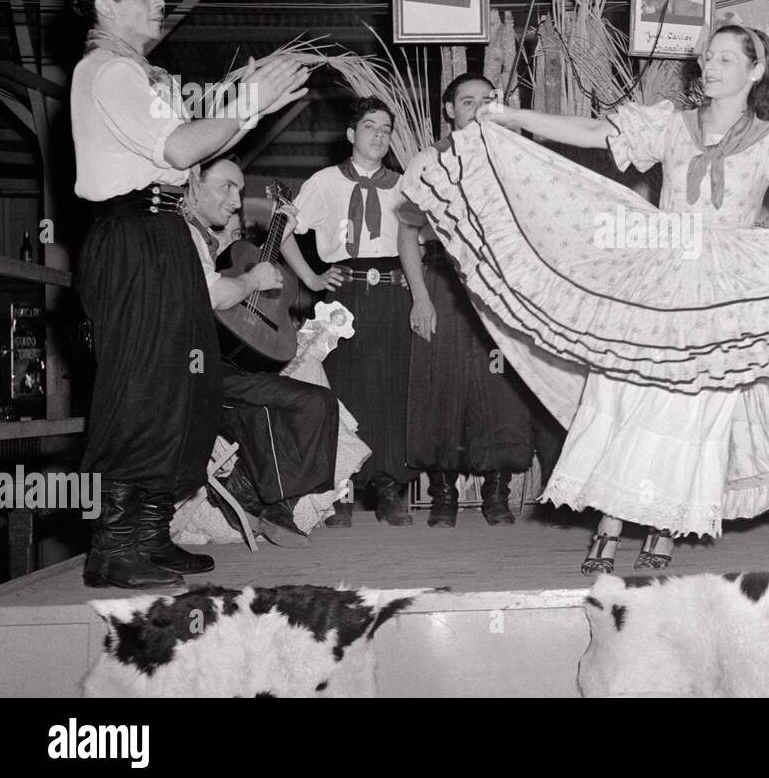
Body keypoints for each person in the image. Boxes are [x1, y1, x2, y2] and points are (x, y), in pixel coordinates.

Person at [402, 24, 769, 573]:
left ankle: (662, 522)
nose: (709, 67)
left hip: (722, 285)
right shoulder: (670, 125)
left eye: (723, 59)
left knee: (692, 406)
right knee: (623, 390)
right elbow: (598, 133)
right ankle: (611, 521)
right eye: (707, 58)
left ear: (754, 70)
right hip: (658, 267)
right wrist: (516, 117)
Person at [70, 0, 309, 589]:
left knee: (182, 387)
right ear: (105, 6)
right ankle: (117, 546)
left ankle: (148, 536)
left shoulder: (133, 75)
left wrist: (249, 104)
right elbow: (181, 149)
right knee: (145, 386)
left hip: (161, 232)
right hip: (134, 237)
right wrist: (247, 100)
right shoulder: (109, 73)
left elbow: (188, 154)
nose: (157, 3)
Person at [399, 74, 553, 527]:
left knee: (501, 388)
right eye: (468, 102)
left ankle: (496, 493)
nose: (478, 108)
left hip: (500, 286)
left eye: (487, 100)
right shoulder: (428, 161)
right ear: (450, 110)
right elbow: (407, 236)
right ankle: (444, 494)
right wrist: (420, 298)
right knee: (441, 386)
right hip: (445, 284)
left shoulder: (512, 158)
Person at [183, 156, 340, 548]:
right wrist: (252, 277)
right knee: (281, 408)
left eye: (240, 191)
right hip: (198, 371)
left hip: (234, 369)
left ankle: (258, 492)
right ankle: (269, 500)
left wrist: (281, 224)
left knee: (318, 403)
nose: (236, 201)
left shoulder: (215, 242)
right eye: (226, 188)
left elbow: (265, 255)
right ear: (192, 184)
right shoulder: (189, 239)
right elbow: (214, 293)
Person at [281, 97, 417, 526]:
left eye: (386, 128)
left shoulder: (405, 184)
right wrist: (313, 279)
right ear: (350, 134)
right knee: (339, 389)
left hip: (393, 294)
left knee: (393, 387)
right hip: (342, 296)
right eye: (370, 126)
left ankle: (389, 485)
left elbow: (420, 243)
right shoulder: (324, 181)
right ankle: (339, 489)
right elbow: (283, 231)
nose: (379, 135)